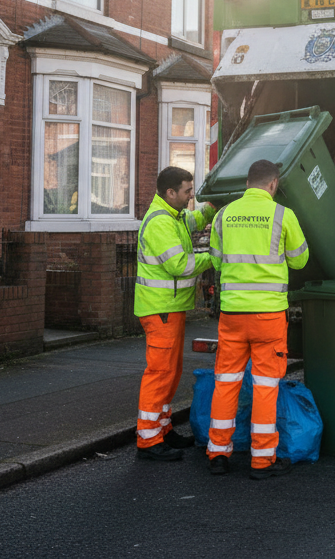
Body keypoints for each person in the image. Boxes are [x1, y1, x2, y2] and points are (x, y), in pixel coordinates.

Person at [206, 160, 309, 479]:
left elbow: (215, 260)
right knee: (265, 386)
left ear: (247, 182)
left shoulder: (224, 215)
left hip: (233, 315)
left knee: (226, 383)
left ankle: (218, 453)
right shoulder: (283, 215)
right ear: (274, 184)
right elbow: (301, 259)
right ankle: (262, 459)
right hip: (268, 316)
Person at [133, 166, 216, 462]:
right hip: (161, 309)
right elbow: (180, 265)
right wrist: (214, 256)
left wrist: (210, 209)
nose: (190, 196)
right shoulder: (159, 224)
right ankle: (149, 440)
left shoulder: (173, 216)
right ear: (170, 193)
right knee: (159, 374)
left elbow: (193, 219)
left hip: (171, 308)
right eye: (187, 191)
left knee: (171, 372)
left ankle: (163, 429)